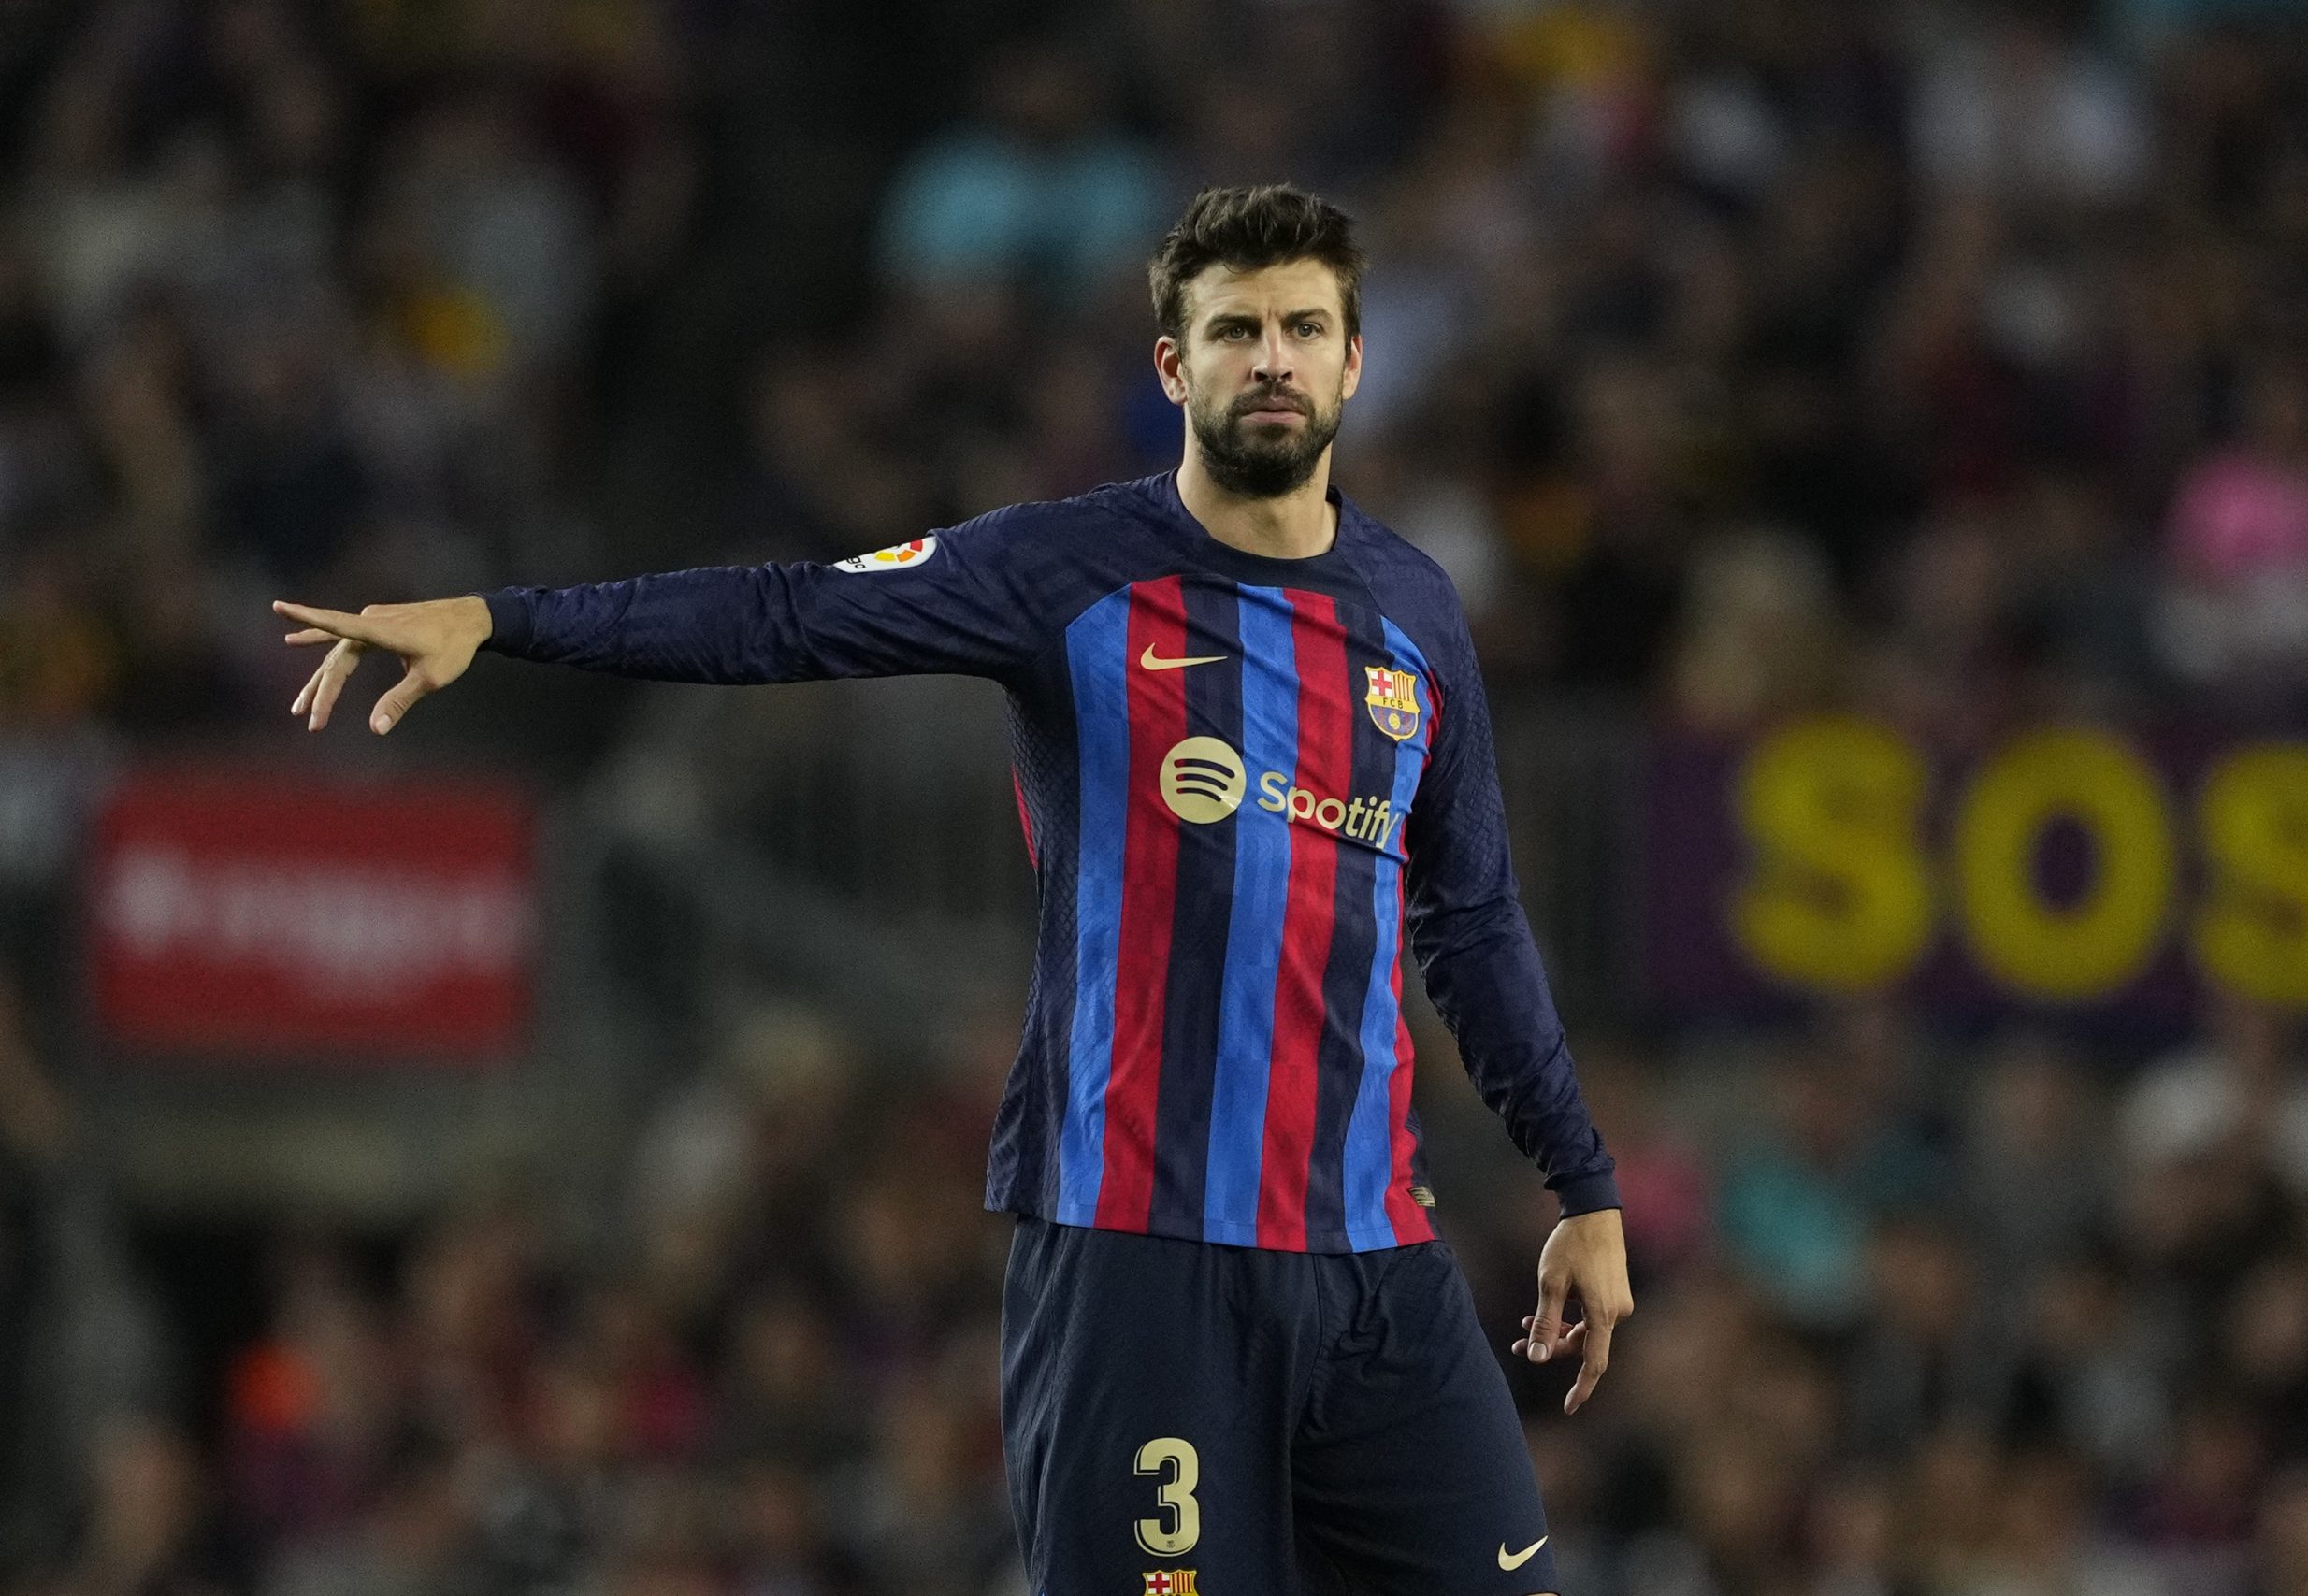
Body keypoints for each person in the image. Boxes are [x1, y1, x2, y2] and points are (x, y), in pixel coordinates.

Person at [274, 184, 1631, 1596]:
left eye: (1304, 327)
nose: (1272, 360)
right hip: (1143, 1257)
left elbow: (1467, 915)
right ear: (1173, 366)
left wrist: (1580, 1185)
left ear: (1356, 359)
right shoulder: (1063, 570)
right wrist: (501, 621)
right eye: (1236, 330)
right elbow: (788, 616)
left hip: (1377, 1260)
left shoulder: (1414, 614)